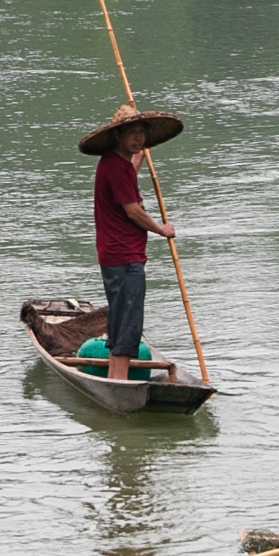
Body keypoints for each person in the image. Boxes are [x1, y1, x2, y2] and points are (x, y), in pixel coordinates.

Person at [80, 99, 184, 380]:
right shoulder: (114, 167)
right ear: (117, 135)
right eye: (132, 133)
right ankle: (119, 382)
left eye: (141, 132)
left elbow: (129, 173)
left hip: (119, 255)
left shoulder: (119, 164)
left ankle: (117, 376)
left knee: (121, 318)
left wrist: (140, 153)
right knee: (128, 322)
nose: (138, 138)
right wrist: (162, 229)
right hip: (124, 257)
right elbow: (133, 211)